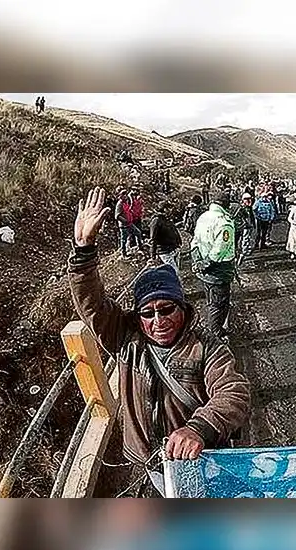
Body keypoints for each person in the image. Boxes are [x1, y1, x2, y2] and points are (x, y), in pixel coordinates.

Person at [68, 188, 250, 493]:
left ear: (182, 307)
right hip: (151, 462)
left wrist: (199, 429)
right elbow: (92, 305)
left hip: (199, 459)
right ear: (137, 315)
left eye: (166, 309)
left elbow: (233, 391)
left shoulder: (207, 347)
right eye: (148, 313)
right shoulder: (126, 338)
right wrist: (84, 249)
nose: (158, 320)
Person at [191, 190, 237, 340]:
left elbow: (195, 241)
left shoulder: (203, 217)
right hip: (218, 270)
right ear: (226, 205)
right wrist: (206, 264)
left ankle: (214, 330)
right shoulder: (225, 222)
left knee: (211, 301)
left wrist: (198, 262)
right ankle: (216, 334)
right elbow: (220, 250)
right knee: (219, 304)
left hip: (204, 267)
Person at [231, 194, 257, 267]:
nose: (249, 200)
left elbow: (251, 216)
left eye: (249, 199)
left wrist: (253, 224)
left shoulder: (249, 207)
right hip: (241, 226)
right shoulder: (241, 208)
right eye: (246, 199)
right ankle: (240, 254)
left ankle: (241, 253)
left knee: (245, 239)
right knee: (239, 240)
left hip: (244, 226)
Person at [114, 190, 141, 256]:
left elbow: (130, 205)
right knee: (124, 239)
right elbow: (117, 216)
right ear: (120, 196)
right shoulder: (119, 204)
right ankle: (123, 253)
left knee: (138, 233)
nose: (125, 196)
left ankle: (140, 247)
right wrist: (125, 221)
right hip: (124, 225)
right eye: (123, 194)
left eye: (125, 194)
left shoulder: (125, 202)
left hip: (129, 223)